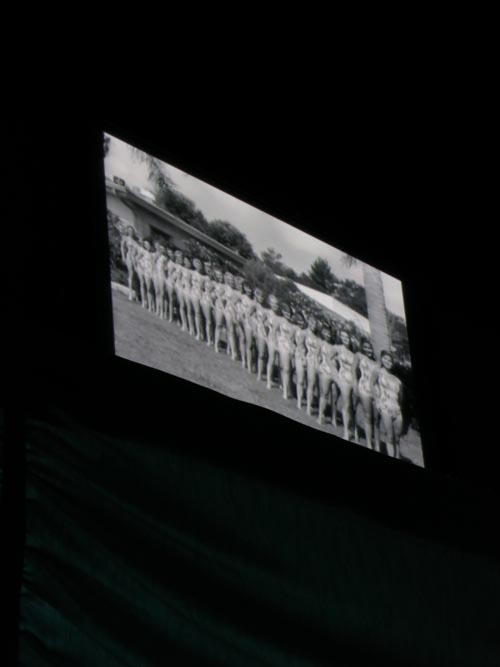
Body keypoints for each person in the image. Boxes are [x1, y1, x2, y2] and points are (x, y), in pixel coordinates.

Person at [371, 350, 404, 459]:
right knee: (389, 436)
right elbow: (372, 384)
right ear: (382, 360)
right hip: (385, 407)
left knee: (397, 437)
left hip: (397, 410)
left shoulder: (397, 380)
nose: (388, 361)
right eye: (385, 359)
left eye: (390, 360)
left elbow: (400, 398)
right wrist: (377, 400)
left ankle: (397, 455)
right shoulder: (378, 372)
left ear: (392, 362)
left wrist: (398, 409)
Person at [352, 337, 378, 448]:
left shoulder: (376, 362)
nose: (368, 350)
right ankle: (367, 442)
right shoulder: (359, 355)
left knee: (375, 419)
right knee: (363, 413)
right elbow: (353, 370)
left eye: (370, 348)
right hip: (362, 387)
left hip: (374, 390)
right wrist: (354, 384)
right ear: (363, 347)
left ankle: (375, 444)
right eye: (366, 347)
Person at [331, 329, 356, 441]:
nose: (345, 339)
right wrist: (335, 373)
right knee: (346, 404)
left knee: (352, 406)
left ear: (351, 337)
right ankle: (346, 431)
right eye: (343, 336)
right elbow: (327, 357)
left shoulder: (354, 353)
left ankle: (352, 428)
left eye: (347, 337)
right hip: (343, 379)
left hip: (353, 382)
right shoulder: (338, 348)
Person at [276, 301, 296, 400]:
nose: (288, 315)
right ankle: (285, 391)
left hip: (289, 347)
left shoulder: (292, 326)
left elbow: (293, 339)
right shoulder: (280, 320)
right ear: (283, 312)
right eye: (286, 313)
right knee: (286, 368)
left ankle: (284, 385)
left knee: (287, 368)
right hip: (281, 344)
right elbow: (274, 331)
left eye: (289, 314)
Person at [316, 323, 336, 426]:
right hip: (324, 369)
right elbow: (317, 355)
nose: (327, 335)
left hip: (334, 372)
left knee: (334, 395)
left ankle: (333, 417)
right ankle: (320, 415)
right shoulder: (321, 343)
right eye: (326, 333)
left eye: (329, 334)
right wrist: (318, 367)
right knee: (324, 393)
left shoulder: (334, 346)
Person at [304, 316, 321, 416]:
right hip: (309, 359)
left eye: (315, 324)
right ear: (309, 323)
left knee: (314, 385)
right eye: (312, 324)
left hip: (316, 361)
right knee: (311, 383)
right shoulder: (306, 333)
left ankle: (313, 403)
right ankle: (308, 406)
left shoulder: (317, 337)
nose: (313, 326)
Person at [252, 288, 269, 381]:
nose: (261, 298)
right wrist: (255, 328)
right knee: (256, 350)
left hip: (264, 333)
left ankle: (260, 373)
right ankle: (254, 366)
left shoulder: (266, 309)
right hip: (257, 330)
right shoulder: (255, 306)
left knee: (262, 353)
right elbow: (250, 316)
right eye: (260, 296)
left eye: (263, 297)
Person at [293, 311, 308, 410]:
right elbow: (294, 342)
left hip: (308, 357)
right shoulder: (295, 330)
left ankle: (305, 398)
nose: (300, 323)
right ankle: (299, 401)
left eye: (302, 321)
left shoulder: (307, 332)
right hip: (299, 355)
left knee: (307, 382)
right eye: (299, 321)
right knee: (301, 379)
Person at [120, 225, 139, 302]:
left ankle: (136, 295)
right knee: (131, 274)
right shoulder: (126, 238)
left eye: (132, 231)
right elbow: (122, 247)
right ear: (127, 231)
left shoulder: (136, 241)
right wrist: (123, 256)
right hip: (129, 257)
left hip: (136, 259)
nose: (131, 232)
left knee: (136, 277)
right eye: (129, 230)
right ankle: (130, 293)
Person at [190, 257, 205, 340]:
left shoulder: (204, 277)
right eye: (197, 264)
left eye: (200, 264)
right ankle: (197, 332)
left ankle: (201, 332)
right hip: (193, 294)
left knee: (199, 314)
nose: (198, 266)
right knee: (196, 312)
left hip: (201, 295)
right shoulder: (193, 273)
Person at [200, 261, 215, 346]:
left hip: (213, 303)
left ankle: (210, 337)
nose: (209, 271)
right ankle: (207, 338)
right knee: (207, 320)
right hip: (205, 300)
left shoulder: (215, 282)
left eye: (210, 270)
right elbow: (201, 289)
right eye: (208, 269)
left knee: (211, 322)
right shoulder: (204, 279)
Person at [213, 267, 227, 353]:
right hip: (218, 307)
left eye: (221, 276)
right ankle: (216, 344)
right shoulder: (216, 285)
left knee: (223, 328)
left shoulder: (226, 287)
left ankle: (228, 348)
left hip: (225, 309)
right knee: (218, 326)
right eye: (218, 276)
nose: (220, 277)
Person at [154, 243, 168, 319]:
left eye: (163, 249)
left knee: (162, 294)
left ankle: (163, 312)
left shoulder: (165, 258)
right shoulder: (157, 256)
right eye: (161, 248)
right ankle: (158, 310)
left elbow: (166, 269)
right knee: (157, 292)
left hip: (162, 276)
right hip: (156, 275)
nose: (162, 250)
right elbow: (154, 264)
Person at [181, 256, 195, 335]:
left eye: (188, 262)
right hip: (184, 290)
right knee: (183, 307)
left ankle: (191, 327)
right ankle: (184, 323)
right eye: (186, 261)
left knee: (190, 310)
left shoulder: (193, 272)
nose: (187, 263)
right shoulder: (183, 270)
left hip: (191, 292)